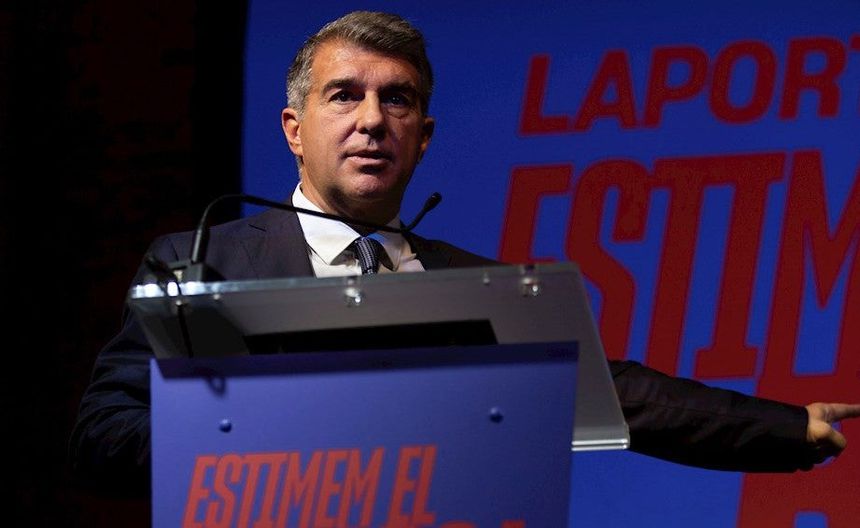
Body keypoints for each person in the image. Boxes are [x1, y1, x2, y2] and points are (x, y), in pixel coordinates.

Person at [71, 11, 860, 496]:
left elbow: (617, 395)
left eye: (397, 100)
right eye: (344, 95)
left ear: (423, 137)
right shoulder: (202, 260)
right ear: (293, 129)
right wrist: (270, 439)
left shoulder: (471, 284)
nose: (372, 120)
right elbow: (105, 434)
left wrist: (784, 427)